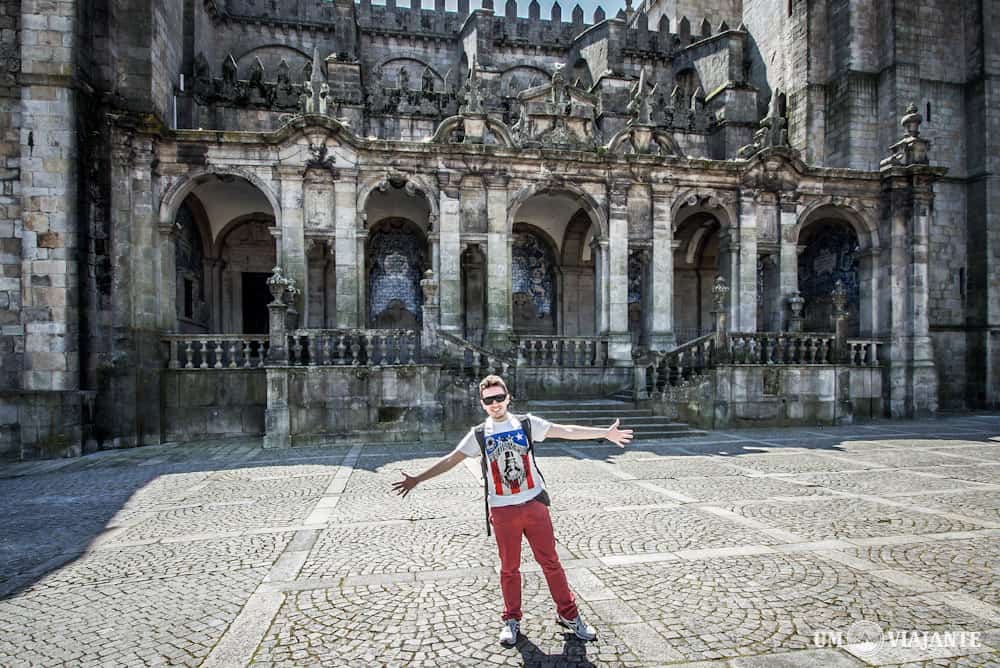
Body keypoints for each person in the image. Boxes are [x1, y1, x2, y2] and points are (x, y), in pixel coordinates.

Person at [392, 374, 634, 647]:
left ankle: (569, 614)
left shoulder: (527, 424)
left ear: (508, 398)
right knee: (509, 568)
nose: (495, 404)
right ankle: (511, 619)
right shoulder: (479, 434)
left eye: (499, 398)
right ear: (482, 403)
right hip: (503, 510)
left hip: (534, 504)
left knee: (551, 563)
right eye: (489, 400)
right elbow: (451, 459)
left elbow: (565, 430)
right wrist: (417, 479)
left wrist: (603, 433)